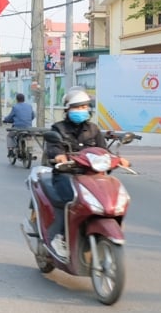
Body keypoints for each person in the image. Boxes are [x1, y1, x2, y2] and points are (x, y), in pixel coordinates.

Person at [43, 88, 130, 259]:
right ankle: (59, 236)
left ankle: (110, 228)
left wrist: (118, 159)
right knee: (69, 199)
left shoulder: (93, 129)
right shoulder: (58, 128)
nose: (81, 110)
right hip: (67, 174)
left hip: (92, 175)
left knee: (114, 196)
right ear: (67, 109)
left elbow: (103, 150)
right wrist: (59, 155)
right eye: (77, 107)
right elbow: (53, 148)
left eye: (84, 107)